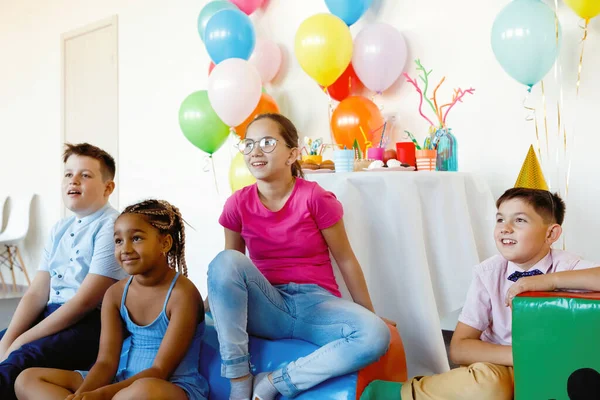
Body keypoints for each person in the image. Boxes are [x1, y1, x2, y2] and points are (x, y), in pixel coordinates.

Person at [207, 113, 393, 400]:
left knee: (376, 335)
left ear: (292, 154)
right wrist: (203, 308)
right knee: (224, 261)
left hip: (316, 306)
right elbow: (229, 272)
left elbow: (345, 259)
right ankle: (240, 380)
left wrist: (370, 314)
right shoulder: (237, 204)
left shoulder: (315, 198)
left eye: (267, 142)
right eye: (248, 144)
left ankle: (274, 382)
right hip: (266, 306)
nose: (255, 151)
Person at [363, 187, 598, 400]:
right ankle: (399, 394)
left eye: (520, 220)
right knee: (489, 384)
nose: (505, 228)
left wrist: (548, 281)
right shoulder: (488, 273)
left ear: (551, 234)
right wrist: (523, 356)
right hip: (502, 365)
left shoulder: (565, 265)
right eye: (500, 219)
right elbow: (459, 347)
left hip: (553, 363)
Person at [15, 199, 209, 400]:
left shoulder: (182, 295)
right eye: (118, 241)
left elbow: (160, 371)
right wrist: (83, 395)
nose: (125, 249)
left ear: (165, 243)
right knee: (27, 379)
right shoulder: (115, 294)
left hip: (166, 387)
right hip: (119, 381)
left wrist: (101, 395)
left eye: (136, 238)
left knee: (141, 392)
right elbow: (106, 363)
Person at [0, 143, 127, 399]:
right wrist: (9, 339)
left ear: (108, 187)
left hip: (91, 323)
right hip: (53, 315)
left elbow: (83, 303)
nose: (74, 181)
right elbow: (36, 293)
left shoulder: (112, 226)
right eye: (69, 174)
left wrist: (20, 342)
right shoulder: (60, 227)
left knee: (14, 363)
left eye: (85, 175)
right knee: (4, 345)